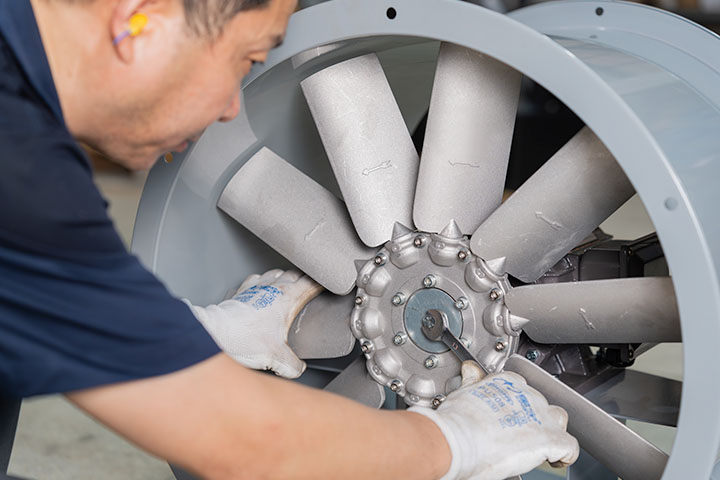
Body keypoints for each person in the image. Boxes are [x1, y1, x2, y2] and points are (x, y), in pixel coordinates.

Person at [0, 0, 580, 478]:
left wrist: (198, 332)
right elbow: (240, 441)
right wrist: (460, 440)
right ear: (139, 19)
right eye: (245, 60)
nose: (232, 108)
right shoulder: (20, 172)